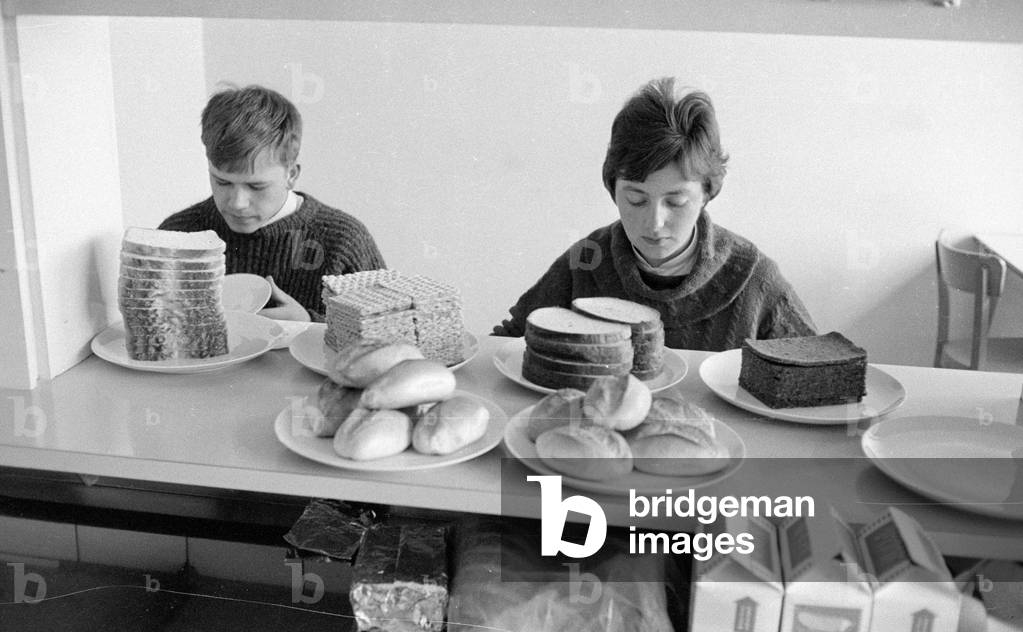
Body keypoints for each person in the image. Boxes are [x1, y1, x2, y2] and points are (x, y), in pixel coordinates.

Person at [493, 77, 815, 350]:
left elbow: (818, 375)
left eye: (676, 202)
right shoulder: (586, 260)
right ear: (612, 188)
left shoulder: (753, 277)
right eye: (636, 200)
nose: (655, 223)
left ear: (707, 193)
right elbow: (507, 346)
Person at [159, 84, 385, 322]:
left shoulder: (343, 241)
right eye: (222, 182)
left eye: (256, 186)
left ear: (291, 175)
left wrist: (309, 324)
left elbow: (390, 336)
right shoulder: (178, 235)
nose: (237, 203)